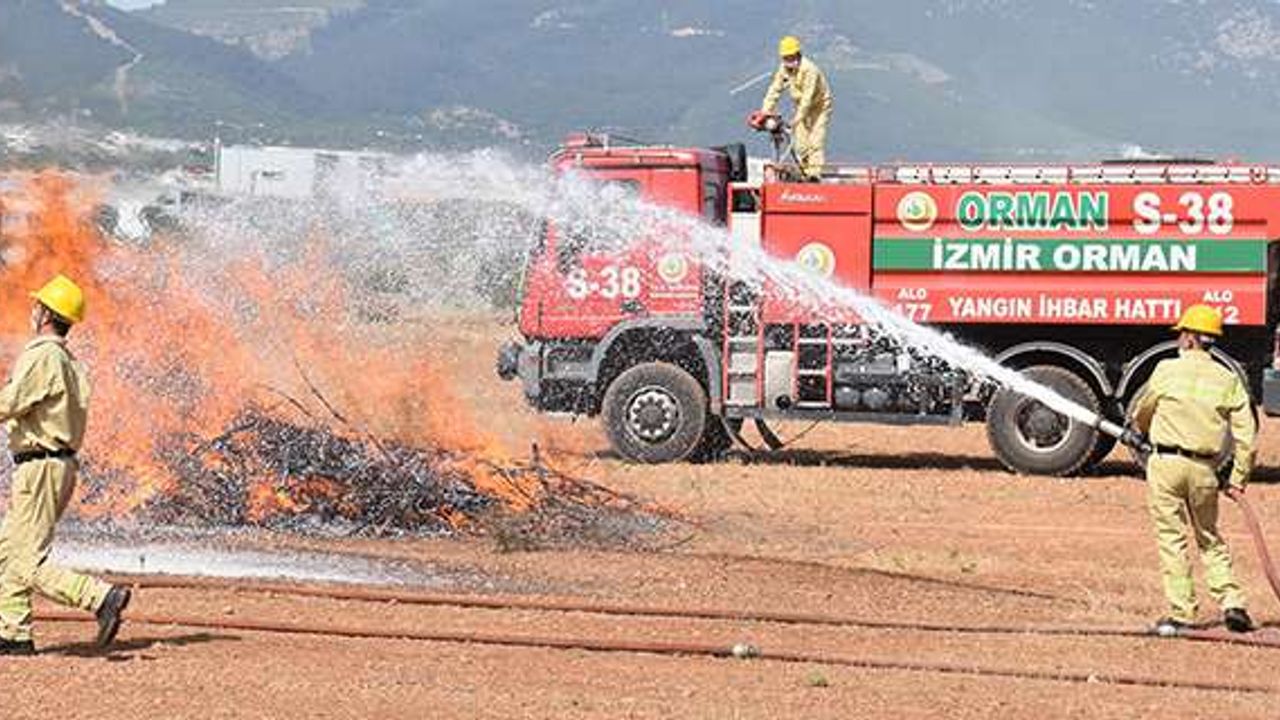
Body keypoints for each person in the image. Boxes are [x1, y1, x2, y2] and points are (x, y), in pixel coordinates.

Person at [0, 274, 130, 655]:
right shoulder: (68, 361)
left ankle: (99, 597)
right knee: (8, 551)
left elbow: (11, 402)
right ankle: (13, 633)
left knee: (25, 561)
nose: (32, 309)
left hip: (40, 467)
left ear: (45, 313)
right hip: (53, 465)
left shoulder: (43, 355)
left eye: (36, 304)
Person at [1129, 304, 1255, 636]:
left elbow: (1143, 409)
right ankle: (1232, 603)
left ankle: (1182, 613)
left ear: (1189, 338)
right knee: (1210, 537)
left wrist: (1139, 431)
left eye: (1181, 333)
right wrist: (1238, 478)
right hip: (1204, 469)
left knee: (1172, 538)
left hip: (1166, 465)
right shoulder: (1227, 379)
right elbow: (1247, 437)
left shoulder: (1166, 369)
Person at [761, 35, 834, 180]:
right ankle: (805, 172)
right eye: (785, 58)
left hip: (819, 106)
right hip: (800, 106)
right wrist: (765, 112)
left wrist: (796, 119)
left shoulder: (810, 70)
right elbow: (775, 90)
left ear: (797, 55)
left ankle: (814, 174)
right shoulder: (784, 70)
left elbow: (807, 98)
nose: (788, 62)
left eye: (790, 58)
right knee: (801, 143)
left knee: (815, 140)